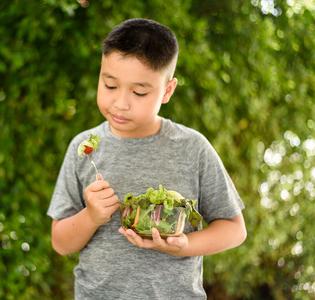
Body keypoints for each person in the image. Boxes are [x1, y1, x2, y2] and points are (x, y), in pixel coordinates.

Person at [47, 18, 246, 299]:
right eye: (110, 86)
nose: (121, 103)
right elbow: (60, 243)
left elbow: (234, 230)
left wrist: (184, 244)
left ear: (167, 90)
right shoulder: (84, 148)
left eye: (139, 92)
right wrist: (91, 216)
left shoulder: (193, 148)